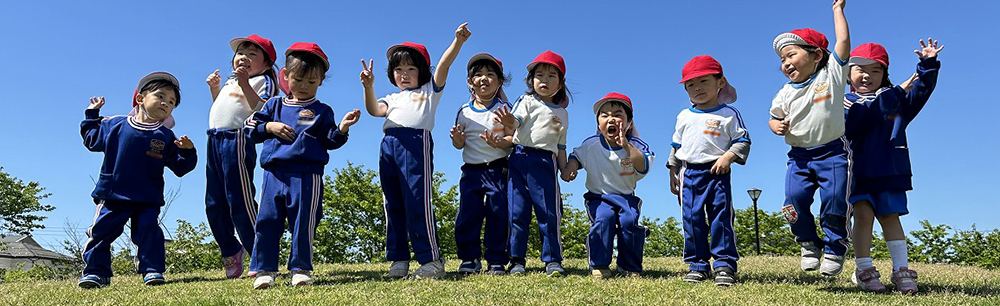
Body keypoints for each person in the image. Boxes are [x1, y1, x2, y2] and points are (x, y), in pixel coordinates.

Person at [245, 42, 361, 288]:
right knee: (267, 220)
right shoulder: (273, 106)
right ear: (286, 76)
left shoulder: (322, 110)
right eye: (299, 80)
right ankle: (264, 270)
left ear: (321, 81)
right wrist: (269, 127)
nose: (305, 87)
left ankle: (300, 268)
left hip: (307, 175)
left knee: (304, 222)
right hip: (273, 174)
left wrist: (342, 128)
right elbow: (250, 130)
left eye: (312, 82)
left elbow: (330, 140)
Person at [361, 23, 471, 279]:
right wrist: (369, 87)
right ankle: (399, 259)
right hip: (389, 144)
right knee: (393, 203)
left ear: (422, 72)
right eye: (399, 69)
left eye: (411, 68)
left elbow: (443, 66)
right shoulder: (392, 97)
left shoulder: (429, 90)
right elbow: (375, 111)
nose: (405, 74)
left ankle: (431, 259)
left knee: (417, 201)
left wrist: (458, 42)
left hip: (415, 143)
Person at [78, 72, 196, 288]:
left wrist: (188, 152)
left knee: (149, 232)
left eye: (171, 102)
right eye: (160, 96)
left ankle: (152, 271)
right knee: (101, 232)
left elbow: (180, 167)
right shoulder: (115, 124)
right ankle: (96, 273)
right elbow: (92, 140)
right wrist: (91, 115)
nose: (165, 103)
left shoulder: (166, 136)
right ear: (140, 99)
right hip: (113, 193)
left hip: (147, 198)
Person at [845, 39, 943, 294]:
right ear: (848, 73)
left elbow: (921, 90)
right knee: (863, 216)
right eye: (860, 69)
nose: (867, 75)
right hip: (858, 171)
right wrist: (896, 92)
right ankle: (864, 268)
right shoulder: (843, 102)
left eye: (875, 70)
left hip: (890, 170)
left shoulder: (897, 98)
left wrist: (928, 64)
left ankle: (902, 269)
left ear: (884, 74)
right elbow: (862, 119)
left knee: (890, 217)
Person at [769, 0, 852, 276]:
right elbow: (773, 116)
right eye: (782, 59)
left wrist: (837, 10)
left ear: (816, 55)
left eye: (791, 55)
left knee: (835, 201)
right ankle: (808, 242)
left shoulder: (832, 75)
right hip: (799, 157)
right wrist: (776, 126)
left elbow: (842, 41)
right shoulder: (785, 91)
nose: (786, 63)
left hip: (832, 153)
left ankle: (835, 247)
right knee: (792, 203)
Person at [668, 56, 749, 286]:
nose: (697, 88)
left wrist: (728, 157)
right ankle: (698, 264)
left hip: (717, 173)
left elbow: (743, 141)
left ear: (720, 82)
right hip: (688, 173)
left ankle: (724, 265)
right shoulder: (684, 116)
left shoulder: (729, 114)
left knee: (720, 218)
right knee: (691, 219)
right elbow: (676, 146)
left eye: (703, 81)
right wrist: (672, 170)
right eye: (690, 85)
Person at [204, 34, 280, 279]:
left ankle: (259, 255)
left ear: (266, 65)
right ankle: (231, 250)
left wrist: (246, 83)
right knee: (214, 203)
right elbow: (223, 106)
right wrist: (215, 89)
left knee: (240, 199)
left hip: (237, 139)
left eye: (252, 54)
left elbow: (262, 108)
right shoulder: (230, 82)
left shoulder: (263, 81)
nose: (244, 58)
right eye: (240, 54)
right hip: (213, 139)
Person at [495, 50, 571, 276]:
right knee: (517, 212)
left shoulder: (563, 114)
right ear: (531, 80)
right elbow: (515, 121)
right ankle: (516, 260)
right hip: (519, 158)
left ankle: (553, 260)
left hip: (546, 163)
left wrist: (565, 168)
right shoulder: (526, 100)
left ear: (560, 82)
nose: (544, 80)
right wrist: (509, 121)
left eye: (551, 76)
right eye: (539, 75)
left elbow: (561, 146)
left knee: (549, 213)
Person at [563, 93, 654, 279]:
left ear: (629, 122)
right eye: (604, 115)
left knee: (629, 223)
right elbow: (576, 156)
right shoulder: (591, 144)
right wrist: (571, 168)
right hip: (599, 196)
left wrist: (627, 146)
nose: (611, 118)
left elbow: (643, 166)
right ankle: (599, 264)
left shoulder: (636, 145)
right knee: (604, 220)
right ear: (598, 123)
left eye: (618, 114)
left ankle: (629, 266)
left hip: (626, 197)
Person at [450, 53, 512, 275]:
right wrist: (458, 141)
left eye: (490, 74)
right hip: (471, 171)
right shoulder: (464, 111)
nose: (484, 79)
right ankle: (469, 258)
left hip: (498, 168)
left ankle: (496, 260)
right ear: (470, 82)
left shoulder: (505, 109)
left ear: (499, 81)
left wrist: (499, 143)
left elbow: (513, 139)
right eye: (478, 75)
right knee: (468, 215)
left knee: (498, 214)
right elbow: (459, 144)